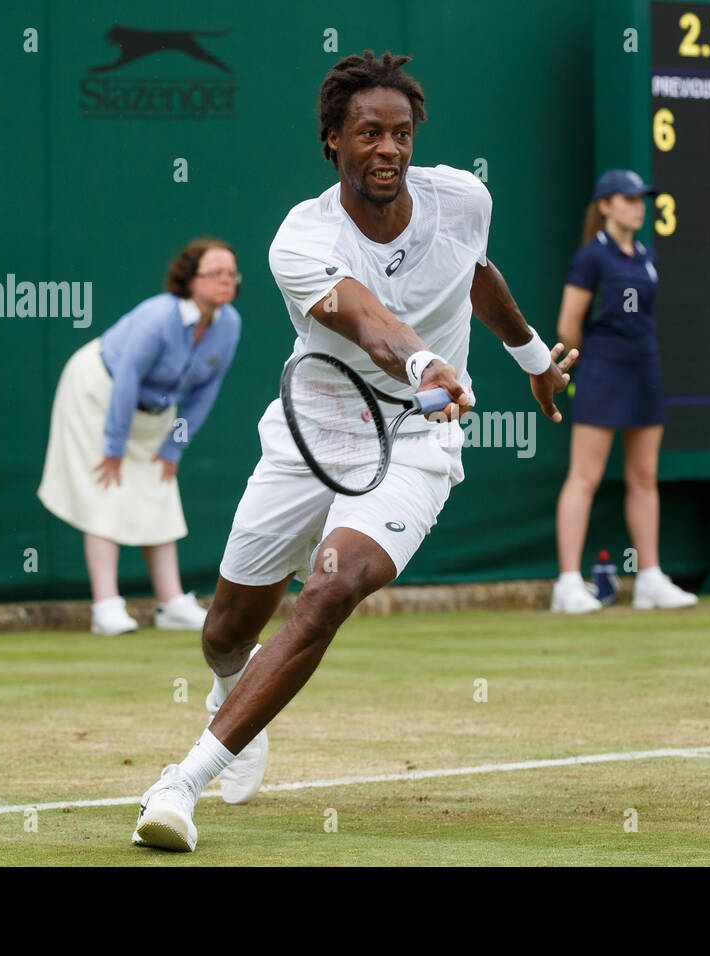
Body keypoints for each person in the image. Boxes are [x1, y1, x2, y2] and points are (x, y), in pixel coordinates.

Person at [129, 50, 576, 851]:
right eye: (369, 133)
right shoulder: (300, 239)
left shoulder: (463, 197)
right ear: (333, 141)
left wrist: (534, 359)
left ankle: (180, 784)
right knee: (224, 634)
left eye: (401, 133)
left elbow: (474, 277)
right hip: (317, 430)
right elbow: (363, 318)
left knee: (334, 587)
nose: (389, 150)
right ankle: (238, 701)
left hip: (417, 440)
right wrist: (423, 362)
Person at [37, 239, 243, 635]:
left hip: (154, 413)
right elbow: (127, 379)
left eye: (231, 273)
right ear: (190, 279)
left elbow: (205, 392)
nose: (226, 280)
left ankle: (170, 603)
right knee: (105, 488)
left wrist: (174, 447)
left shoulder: (229, 325)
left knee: (157, 489)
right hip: (97, 392)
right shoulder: (158, 317)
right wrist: (112, 447)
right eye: (215, 273)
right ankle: (106, 606)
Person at [549, 169, 698, 613]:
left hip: (645, 368)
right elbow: (567, 323)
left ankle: (650, 578)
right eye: (629, 198)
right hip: (602, 369)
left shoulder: (647, 255)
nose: (639, 205)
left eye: (641, 199)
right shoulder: (591, 257)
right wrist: (585, 362)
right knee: (585, 476)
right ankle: (568, 584)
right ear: (605, 205)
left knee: (643, 476)